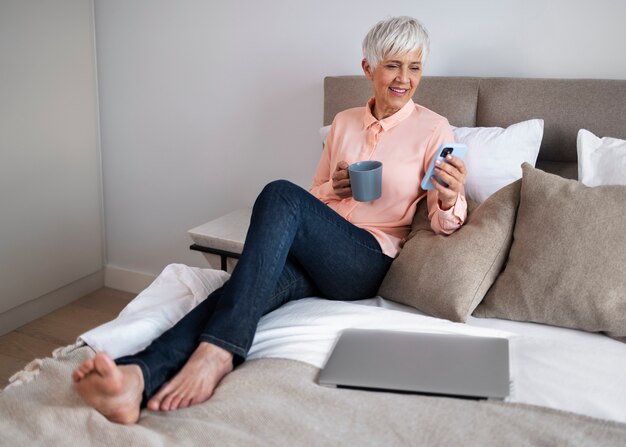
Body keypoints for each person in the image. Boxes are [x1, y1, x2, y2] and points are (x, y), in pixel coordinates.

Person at [71, 16, 467, 424]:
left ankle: (219, 352)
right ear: (368, 68)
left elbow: (442, 222)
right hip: (316, 251)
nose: (404, 78)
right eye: (392, 65)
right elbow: (315, 195)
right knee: (239, 291)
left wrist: (452, 197)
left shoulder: (434, 129)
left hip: (366, 259)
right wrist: (334, 187)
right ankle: (139, 375)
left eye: (414, 67)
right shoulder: (345, 123)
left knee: (280, 193)